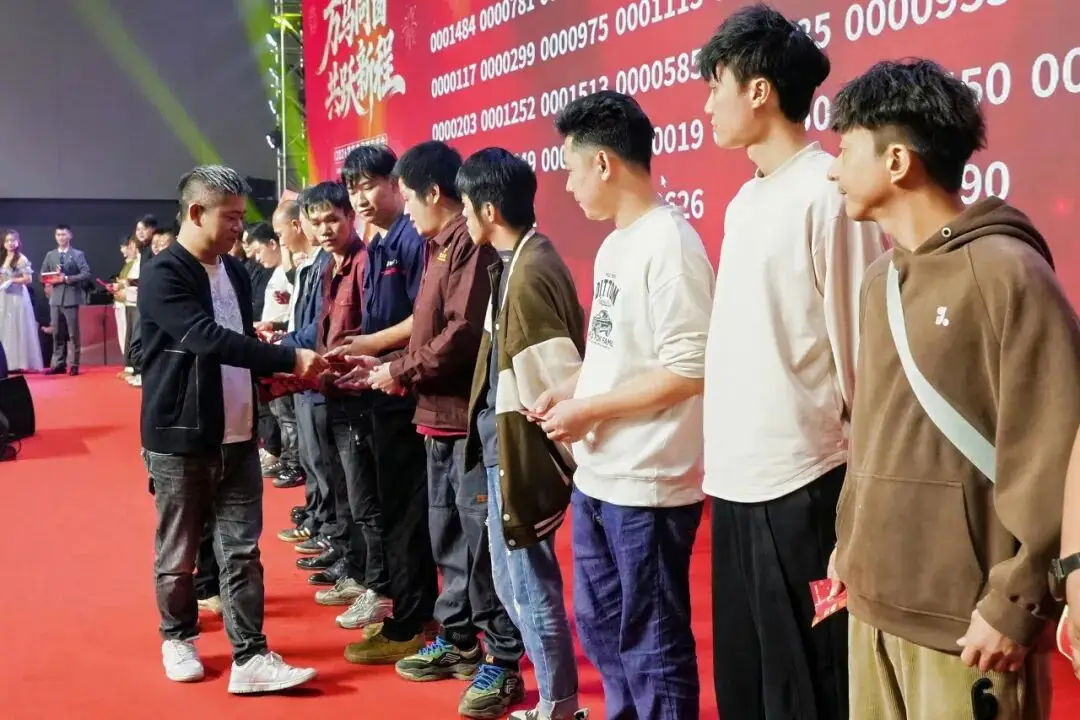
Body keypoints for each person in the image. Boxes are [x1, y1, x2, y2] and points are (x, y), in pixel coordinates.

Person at [827, 59, 1080, 719]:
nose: (832, 169)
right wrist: (851, 546)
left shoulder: (1008, 273)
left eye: (846, 149)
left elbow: (1057, 452)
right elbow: (877, 432)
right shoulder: (879, 280)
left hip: (970, 631)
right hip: (872, 610)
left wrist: (1019, 601)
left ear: (897, 161)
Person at [696, 7, 888, 718]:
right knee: (746, 686)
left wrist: (856, 507)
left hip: (803, 484)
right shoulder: (744, 201)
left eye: (715, 85)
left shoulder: (827, 193)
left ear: (759, 90)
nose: (707, 104)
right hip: (735, 482)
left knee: (807, 688)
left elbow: (862, 359)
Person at [542, 91, 713, 720]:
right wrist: (574, 390)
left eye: (572, 168)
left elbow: (689, 369)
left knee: (651, 642)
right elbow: (620, 353)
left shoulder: (670, 243)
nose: (568, 185)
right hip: (601, 475)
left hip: (648, 482)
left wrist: (591, 412)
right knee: (602, 627)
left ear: (604, 163)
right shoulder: (617, 244)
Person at [139, 164, 327, 693]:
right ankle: (177, 637)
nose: (240, 228)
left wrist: (271, 377)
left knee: (243, 552)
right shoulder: (163, 273)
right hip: (181, 437)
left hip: (241, 431)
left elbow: (238, 342)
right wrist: (288, 357)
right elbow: (207, 338)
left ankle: (251, 655)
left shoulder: (237, 272)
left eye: (243, 217)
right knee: (178, 554)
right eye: (231, 217)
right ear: (196, 212)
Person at [360, 140, 525, 718]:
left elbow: (460, 337)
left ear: (434, 193)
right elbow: (429, 327)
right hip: (436, 418)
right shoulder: (439, 248)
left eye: (407, 197)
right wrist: (386, 361)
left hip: (464, 421)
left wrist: (399, 370)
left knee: (481, 549)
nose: (405, 209)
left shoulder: (471, 247)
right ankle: (457, 639)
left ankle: (502, 657)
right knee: (448, 539)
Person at [458, 147, 588, 720]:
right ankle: (554, 702)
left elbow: (556, 377)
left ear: (488, 210)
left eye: (466, 206)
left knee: (530, 587)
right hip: (503, 447)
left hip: (519, 451)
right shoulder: (519, 261)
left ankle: (558, 704)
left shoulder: (530, 269)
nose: (464, 218)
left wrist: (546, 461)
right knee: (515, 585)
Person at [315, 147, 437, 662]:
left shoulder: (412, 238)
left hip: (407, 394)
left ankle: (410, 622)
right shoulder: (382, 243)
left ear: (395, 185)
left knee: (407, 515)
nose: (361, 197)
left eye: (369, 185)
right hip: (380, 391)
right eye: (353, 187)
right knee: (389, 511)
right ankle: (407, 612)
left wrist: (370, 344)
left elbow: (424, 318)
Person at [40, 224, 91, 376]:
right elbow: (42, 275)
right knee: (57, 333)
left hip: (71, 298)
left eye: (63, 234)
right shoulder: (50, 255)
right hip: (55, 299)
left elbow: (86, 273)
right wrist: (50, 279)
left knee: (73, 334)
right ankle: (58, 364)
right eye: (58, 235)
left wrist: (67, 278)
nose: (61, 237)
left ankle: (74, 364)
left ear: (70, 236)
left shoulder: (77, 254)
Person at [0, 230, 44, 373]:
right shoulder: (2, 257)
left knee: (17, 326)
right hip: (4, 296)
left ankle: (19, 362)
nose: (10, 243)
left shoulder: (21, 259)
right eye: (7, 241)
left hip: (17, 296)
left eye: (13, 240)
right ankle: (6, 363)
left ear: (18, 242)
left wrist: (12, 280)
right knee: (5, 327)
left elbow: (28, 279)